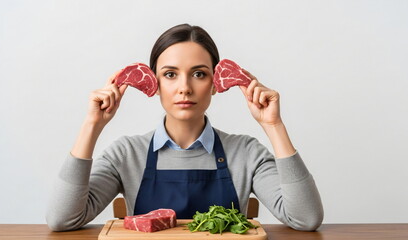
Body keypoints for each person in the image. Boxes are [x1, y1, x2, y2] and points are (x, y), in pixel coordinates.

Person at [46, 23, 324, 232]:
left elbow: (305, 218)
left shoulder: (246, 152)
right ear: (154, 85)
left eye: (199, 74)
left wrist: (273, 125)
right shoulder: (126, 154)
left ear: (216, 84)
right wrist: (92, 126)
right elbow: (62, 219)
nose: (184, 88)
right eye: (170, 74)